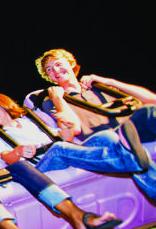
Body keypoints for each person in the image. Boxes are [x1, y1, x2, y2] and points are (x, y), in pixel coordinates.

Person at [0, 92, 137, 229]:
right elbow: (6, 157)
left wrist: (66, 127)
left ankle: (130, 158)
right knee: (58, 149)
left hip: (62, 152)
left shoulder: (29, 121)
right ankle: (124, 158)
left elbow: (63, 138)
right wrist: (18, 152)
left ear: (3, 104)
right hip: (40, 169)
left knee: (104, 137)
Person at [32, 48, 156, 199]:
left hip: (127, 131)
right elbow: (74, 128)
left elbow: (151, 99)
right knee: (110, 137)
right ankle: (128, 147)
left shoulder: (98, 88)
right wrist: (58, 99)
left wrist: (108, 81)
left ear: (71, 64)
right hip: (100, 140)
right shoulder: (52, 101)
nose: (56, 70)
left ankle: (127, 139)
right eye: (49, 69)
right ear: (48, 76)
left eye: (58, 64)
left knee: (149, 111)